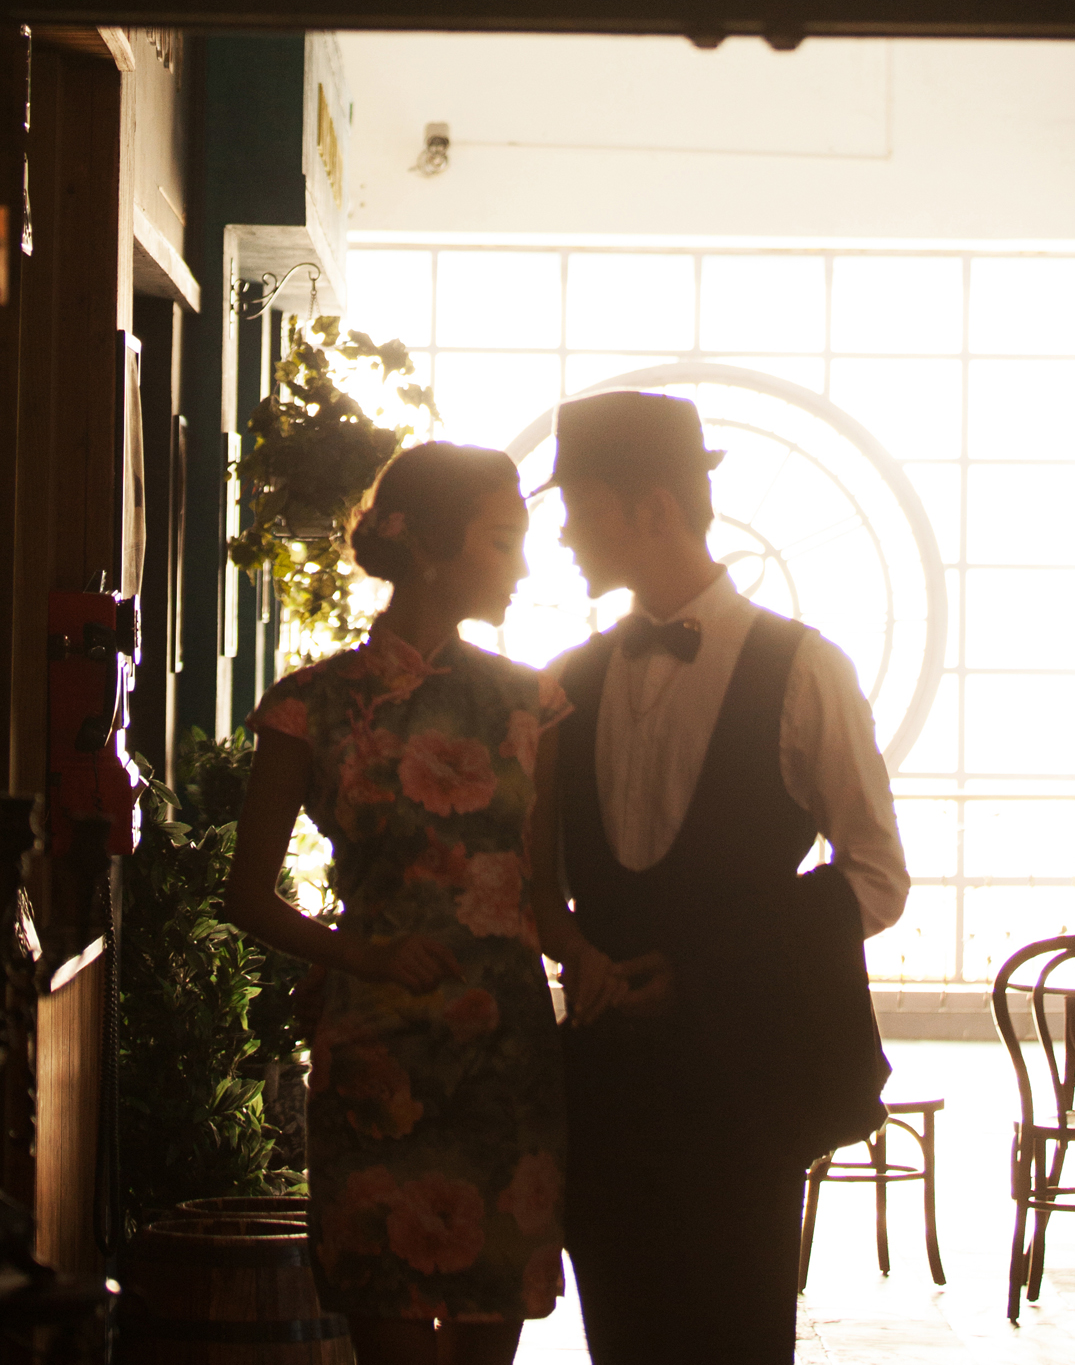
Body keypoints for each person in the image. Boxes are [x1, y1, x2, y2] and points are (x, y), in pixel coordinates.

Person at [530, 390, 911, 1365]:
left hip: (743, 1077)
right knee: (619, 1337)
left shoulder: (803, 667)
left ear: (651, 507)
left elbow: (875, 876)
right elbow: (541, 880)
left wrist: (704, 974)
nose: (563, 531)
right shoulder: (567, 681)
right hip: (607, 1086)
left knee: (737, 1336)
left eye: (577, 505)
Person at [226, 441, 615, 1365]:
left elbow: (542, 899)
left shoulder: (534, 705)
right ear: (431, 547)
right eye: (502, 541)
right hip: (376, 1059)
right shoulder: (308, 705)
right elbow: (245, 896)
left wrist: (594, 961)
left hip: (506, 1060)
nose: (523, 566)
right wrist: (359, 957)